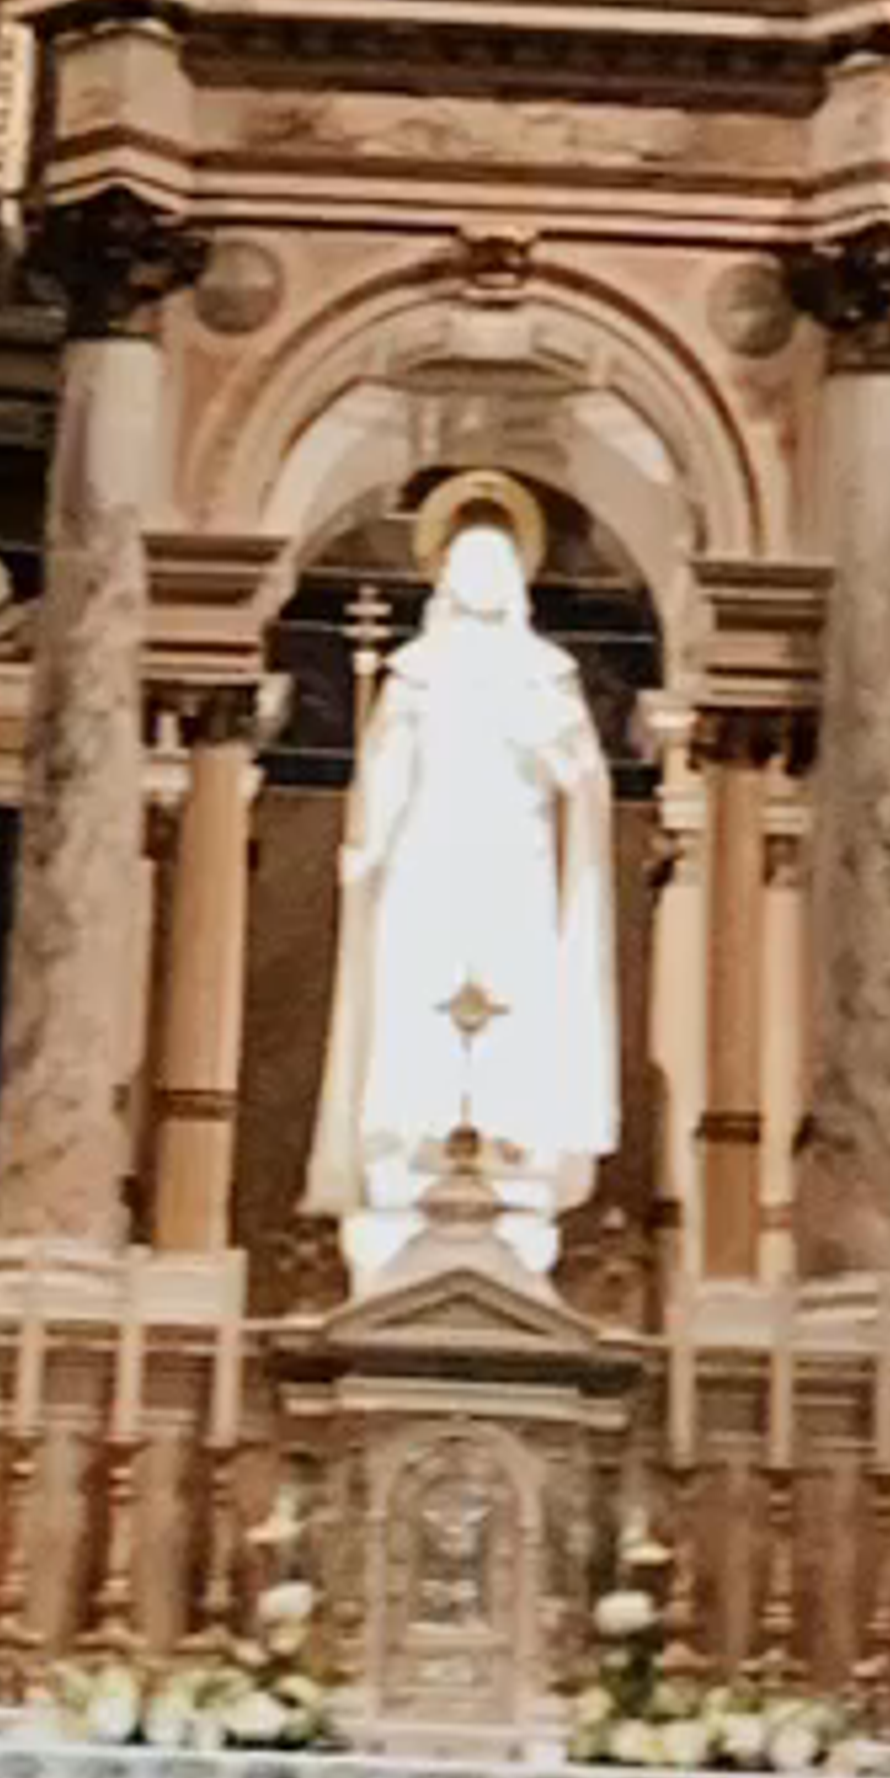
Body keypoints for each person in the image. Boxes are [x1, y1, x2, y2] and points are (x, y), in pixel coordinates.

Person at [303, 488, 619, 1290]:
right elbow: (383, 770)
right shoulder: (414, 670)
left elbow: (583, 779)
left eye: (496, 561)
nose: (481, 574)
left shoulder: (548, 673)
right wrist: (368, 842)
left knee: (514, 1002)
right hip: (429, 857)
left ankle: (511, 1150)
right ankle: (409, 1145)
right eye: (466, 560)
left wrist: (560, 756)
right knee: (417, 1002)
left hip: (513, 860)